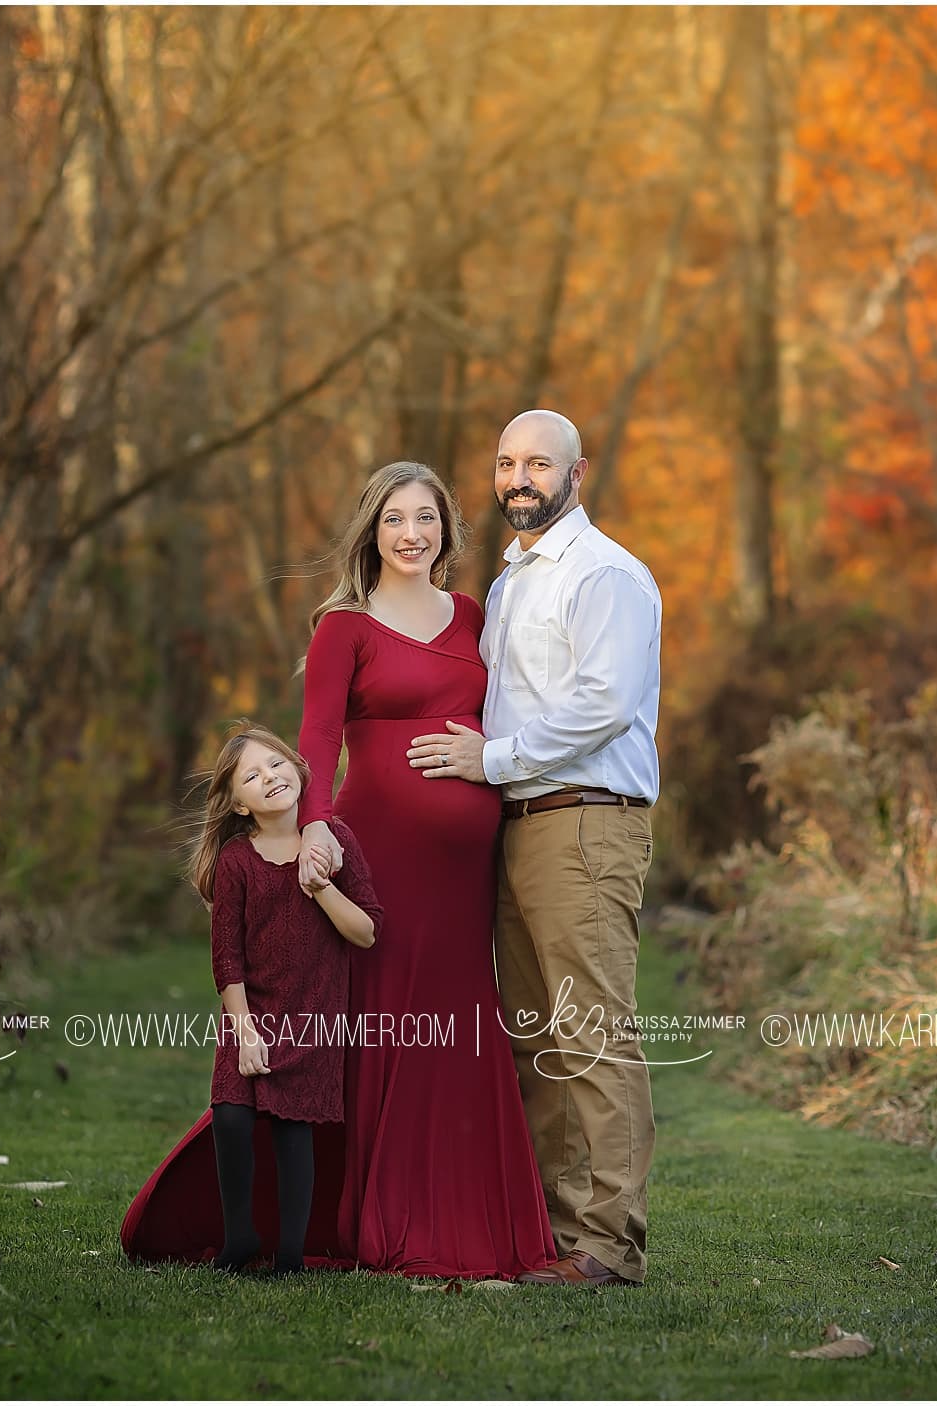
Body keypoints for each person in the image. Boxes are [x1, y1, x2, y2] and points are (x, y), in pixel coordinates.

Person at [403, 408, 662, 1288]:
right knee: (533, 1038)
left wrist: (493, 760)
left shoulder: (605, 576)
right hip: (516, 829)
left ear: (577, 471)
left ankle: (609, 1244)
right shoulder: (514, 580)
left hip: (585, 820)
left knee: (589, 1033)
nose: (520, 478)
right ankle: (552, 1234)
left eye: (539, 464)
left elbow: (604, 703)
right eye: (507, 462)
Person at [292, 460, 558, 1279]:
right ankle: (382, 1210)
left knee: (458, 1021)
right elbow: (316, 740)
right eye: (396, 520)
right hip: (379, 857)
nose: (413, 534)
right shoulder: (345, 627)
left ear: (447, 529)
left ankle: (473, 1217)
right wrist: (312, 830)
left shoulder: (473, 614)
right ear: (372, 531)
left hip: (464, 866)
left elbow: (505, 715)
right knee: (388, 1022)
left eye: (428, 519)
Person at [120, 725, 381, 1275]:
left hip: (314, 1017)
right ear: (238, 803)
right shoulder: (238, 862)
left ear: (300, 769)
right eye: (252, 777)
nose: (271, 778)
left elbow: (366, 932)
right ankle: (240, 1238)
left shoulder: (335, 840)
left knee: (293, 1129)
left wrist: (321, 887)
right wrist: (244, 1032)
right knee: (233, 1118)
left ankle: (290, 1254)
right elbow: (227, 958)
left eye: (277, 764)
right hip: (251, 1016)